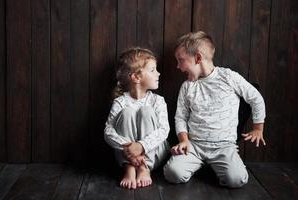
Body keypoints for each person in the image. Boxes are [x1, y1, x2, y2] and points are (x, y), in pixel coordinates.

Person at [163, 31, 266, 188]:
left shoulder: (228, 77)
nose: (178, 66)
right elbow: (181, 117)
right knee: (172, 173)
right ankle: (199, 164)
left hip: (223, 146)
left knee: (237, 179)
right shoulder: (187, 86)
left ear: (198, 58)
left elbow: (255, 98)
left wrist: (258, 128)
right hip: (194, 145)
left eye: (181, 60)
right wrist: (184, 140)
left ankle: (217, 167)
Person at [104, 47, 170, 189]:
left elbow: (164, 130)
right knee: (127, 112)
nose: (158, 73)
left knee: (146, 111)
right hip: (127, 155)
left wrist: (141, 146)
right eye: (153, 70)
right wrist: (128, 149)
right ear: (136, 77)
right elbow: (108, 132)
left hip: (154, 153)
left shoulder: (157, 101)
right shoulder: (120, 102)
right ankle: (129, 167)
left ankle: (145, 168)